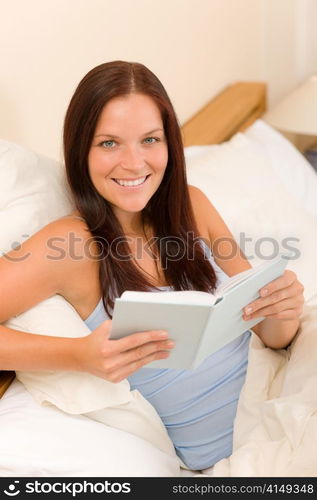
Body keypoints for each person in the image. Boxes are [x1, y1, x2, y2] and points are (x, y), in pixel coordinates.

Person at [0, 61, 304, 471]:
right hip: (241, 452)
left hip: (279, 392)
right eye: (109, 143)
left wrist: (282, 310)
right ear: (80, 150)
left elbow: (270, 334)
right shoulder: (69, 245)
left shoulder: (192, 206)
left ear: (169, 145)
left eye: (150, 140)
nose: (133, 163)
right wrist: (79, 356)